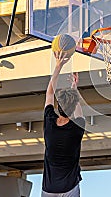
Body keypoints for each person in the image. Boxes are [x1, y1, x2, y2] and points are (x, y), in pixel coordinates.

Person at [42, 52, 85, 197]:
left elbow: (49, 93)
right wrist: (74, 88)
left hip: (49, 189)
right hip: (69, 188)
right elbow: (78, 112)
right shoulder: (76, 128)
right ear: (72, 109)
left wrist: (58, 66)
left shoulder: (49, 122)